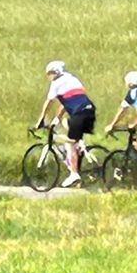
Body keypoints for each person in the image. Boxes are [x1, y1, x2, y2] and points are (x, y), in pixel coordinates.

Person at [36, 60, 96, 188]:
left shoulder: (56, 83)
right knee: (67, 125)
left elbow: (49, 102)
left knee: (69, 143)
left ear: (56, 72)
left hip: (78, 113)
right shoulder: (73, 79)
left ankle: (74, 174)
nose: (49, 77)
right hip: (89, 111)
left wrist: (41, 120)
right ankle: (80, 148)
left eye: (49, 74)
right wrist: (56, 119)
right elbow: (66, 103)